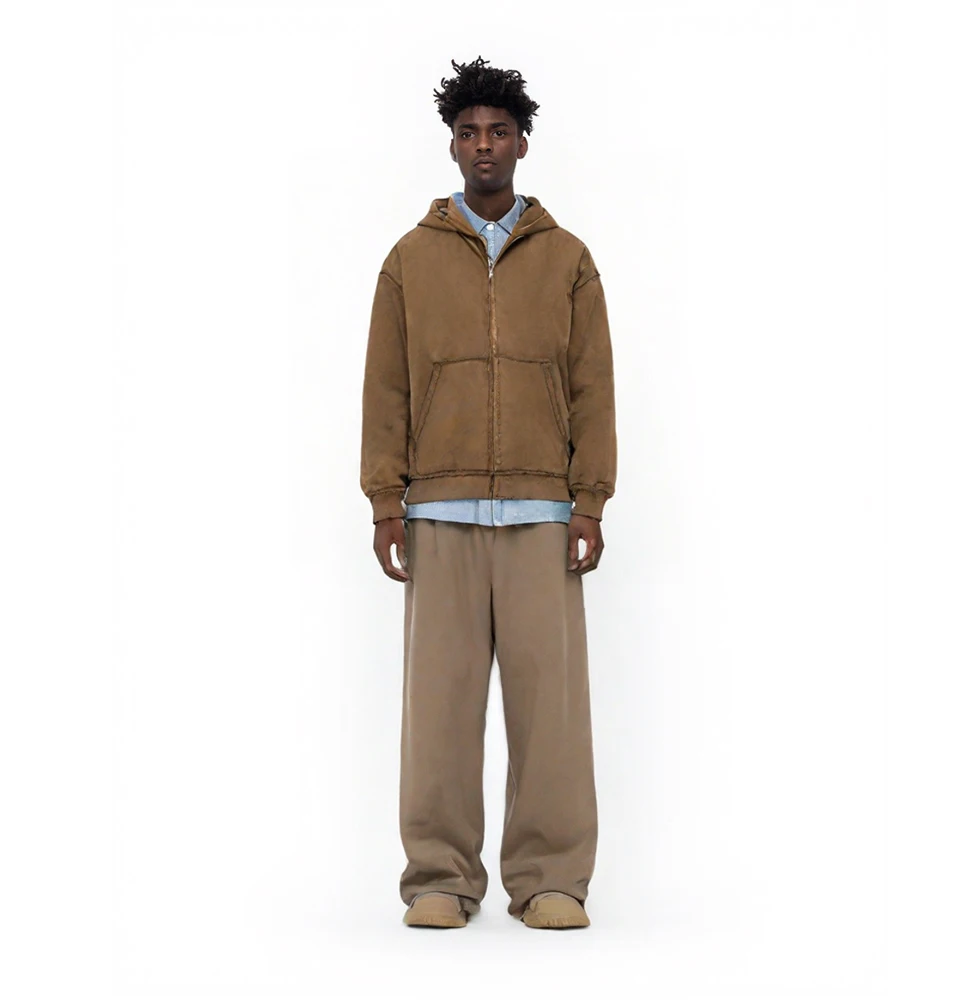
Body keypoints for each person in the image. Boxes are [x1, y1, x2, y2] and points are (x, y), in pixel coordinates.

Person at [359, 55, 617, 930]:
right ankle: (440, 875)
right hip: (439, 510)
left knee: (551, 712)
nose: (483, 145)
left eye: (498, 132)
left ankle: (550, 878)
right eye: (469, 132)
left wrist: (591, 500)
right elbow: (386, 387)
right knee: (439, 709)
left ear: (522, 144)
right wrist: (385, 500)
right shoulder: (410, 259)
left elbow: (593, 386)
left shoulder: (569, 259)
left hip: (544, 513)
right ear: (452, 144)